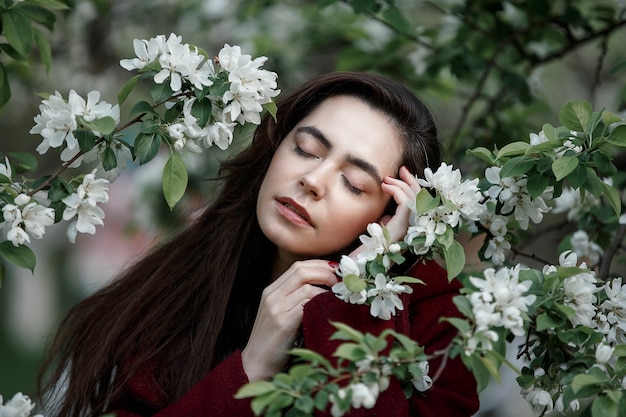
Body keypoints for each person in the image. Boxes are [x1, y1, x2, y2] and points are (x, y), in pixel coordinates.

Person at [38, 71, 480, 417]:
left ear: (389, 216)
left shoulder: (433, 322)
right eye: (306, 149)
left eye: (353, 182)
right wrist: (249, 371)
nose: (312, 180)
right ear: (275, 147)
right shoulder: (177, 289)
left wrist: (357, 293)